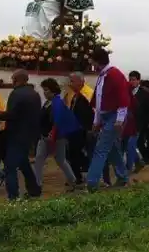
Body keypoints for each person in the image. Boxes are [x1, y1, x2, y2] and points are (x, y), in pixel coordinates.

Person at [85, 47, 130, 192]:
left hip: (114, 116)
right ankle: (123, 176)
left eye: (92, 60)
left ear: (97, 61)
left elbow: (123, 97)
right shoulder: (103, 75)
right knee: (112, 149)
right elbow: (98, 100)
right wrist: (96, 121)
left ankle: (91, 183)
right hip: (105, 116)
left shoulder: (115, 74)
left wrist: (120, 119)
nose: (91, 63)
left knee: (101, 148)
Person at [0, 69, 43, 200]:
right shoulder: (35, 94)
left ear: (17, 80)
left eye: (13, 79)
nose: (12, 81)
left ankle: (13, 196)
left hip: (16, 134)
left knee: (10, 166)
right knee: (23, 164)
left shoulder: (16, 94)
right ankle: (34, 190)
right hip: (30, 135)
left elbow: (12, 115)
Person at [35, 78, 78, 191]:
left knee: (54, 159)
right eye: (44, 90)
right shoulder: (49, 102)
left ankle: (72, 180)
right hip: (50, 136)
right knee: (53, 159)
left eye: (47, 90)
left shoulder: (56, 103)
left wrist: (52, 133)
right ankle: (37, 183)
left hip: (53, 136)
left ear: (53, 91)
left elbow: (57, 120)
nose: (45, 92)